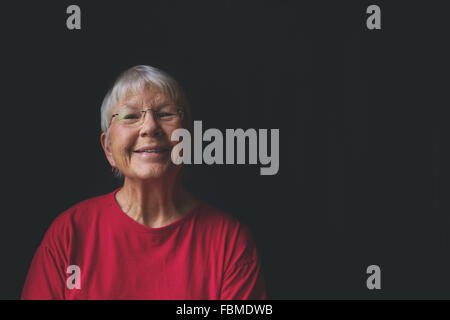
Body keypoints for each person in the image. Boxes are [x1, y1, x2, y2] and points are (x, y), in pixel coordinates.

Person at [21, 65, 267, 299]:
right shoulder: (69, 233)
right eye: (130, 116)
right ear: (108, 148)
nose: (150, 127)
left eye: (165, 114)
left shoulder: (229, 241)